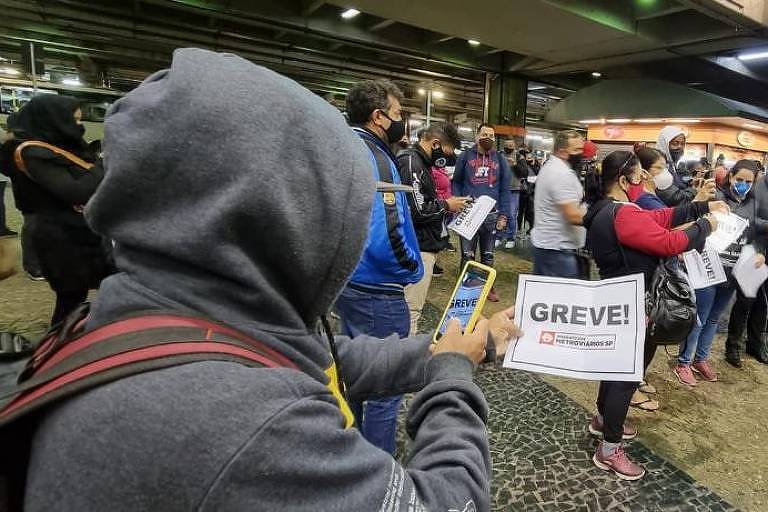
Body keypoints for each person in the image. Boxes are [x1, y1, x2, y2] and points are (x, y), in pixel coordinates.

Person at [22, 48, 522, 512]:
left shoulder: (168, 310)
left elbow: (323, 358)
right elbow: (447, 503)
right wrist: (452, 379)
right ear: (281, 216)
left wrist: (455, 349)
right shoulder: (247, 424)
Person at [583, 150, 724, 480]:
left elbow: (660, 221)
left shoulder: (606, 209)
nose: (644, 179)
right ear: (622, 180)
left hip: (620, 302)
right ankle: (609, 450)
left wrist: (701, 207)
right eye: (638, 176)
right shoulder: (621, 214)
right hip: (636, 307)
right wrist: (706, 226)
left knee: (615, 371)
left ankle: (603, 421)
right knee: (626, 378)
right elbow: (668, 242)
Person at [333, 78, 423, 454]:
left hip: (347, 281)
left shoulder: (340, 147)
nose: (402, 122)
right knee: (386, 388)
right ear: (379, 117)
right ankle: (381, 471)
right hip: (378, 289)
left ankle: (352, 452)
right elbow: (388, 230)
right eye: (398, 114)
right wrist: (412, 267)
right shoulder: (377, 158)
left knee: (353, 376)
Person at [0, 95, 112, 325]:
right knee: (71, 299)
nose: (79, 127)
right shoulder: (31, 151)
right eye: (75, 121)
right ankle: (58, 344)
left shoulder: (56, 146)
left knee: (91, 290)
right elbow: (78, 190)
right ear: (55, 121)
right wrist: (105, 160)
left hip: (78, 230)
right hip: (59, 237)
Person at [676, 160, 767, 382]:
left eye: (748, 181)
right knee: (700, 316)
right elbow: (694, 220)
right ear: (730, 176)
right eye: (739, 180)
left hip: (734, 269)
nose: (743, 185)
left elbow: (757, 232)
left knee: (714, 318)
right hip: (708, 265)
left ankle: (701, 358)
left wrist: (760, 251)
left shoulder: (753, 203)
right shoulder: (715, 196)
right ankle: (684, 362)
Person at [397, 123, 469, 336]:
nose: (447, 160)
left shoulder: (422, 163)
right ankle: (405, 359)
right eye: (446, 153)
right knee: (411, 310)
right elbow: (416, 210)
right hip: (417, 247)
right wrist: (447, 205)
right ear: (435, 144)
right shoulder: (411, 162)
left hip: (425, 245)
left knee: (412, 309)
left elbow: (424, 200)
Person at [452, 123, 512, 302]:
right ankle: (464, 288)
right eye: (485, 134)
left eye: (492, 136)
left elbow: (505, 189)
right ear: (477, 136)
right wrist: (457, 203)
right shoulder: (465, 156)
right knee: (467, 255)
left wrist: (504, 215)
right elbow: (456, 181)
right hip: (469, 213)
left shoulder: (500, 160)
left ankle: (488, 287)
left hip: (491, 215)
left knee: (488, 255)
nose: (488, 138)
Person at [531, 130, 586, 278]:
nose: (582, 153)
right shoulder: (560, 174)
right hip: (557, 251)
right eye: (577, 150)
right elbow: (573, 216)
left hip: (552, 247)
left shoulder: (554, 167)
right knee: (561, 296)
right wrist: (599, 217)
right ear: (562, 152)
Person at [655, 126, 715, 206]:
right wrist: (694, 189)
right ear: (665, 143)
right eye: (675, 143)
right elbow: (675, 198)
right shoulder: (658, 167)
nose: (680, 147)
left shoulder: (673, 165)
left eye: (682, 144)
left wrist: (691, 181)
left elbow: (682, 180)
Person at [496, 139, 521, 249]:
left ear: (514, 146)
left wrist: (515, 165)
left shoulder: (519, 157)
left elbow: (524, 172)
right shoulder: (499, 155)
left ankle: (511, 238)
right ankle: (498, 236)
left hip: (513, 190)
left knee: (511, 215)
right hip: (500, 189)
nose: (509, 147)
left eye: (511, 145)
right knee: (498, 213)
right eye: (507, 145)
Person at [516, 148, 535, 238]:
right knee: (520, 212)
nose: (528, 158)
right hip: (522, 192)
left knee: (529, 213)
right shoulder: (520, 165)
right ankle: (519, 230)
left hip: (530, 193)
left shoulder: (534, 166)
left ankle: (529, 230)